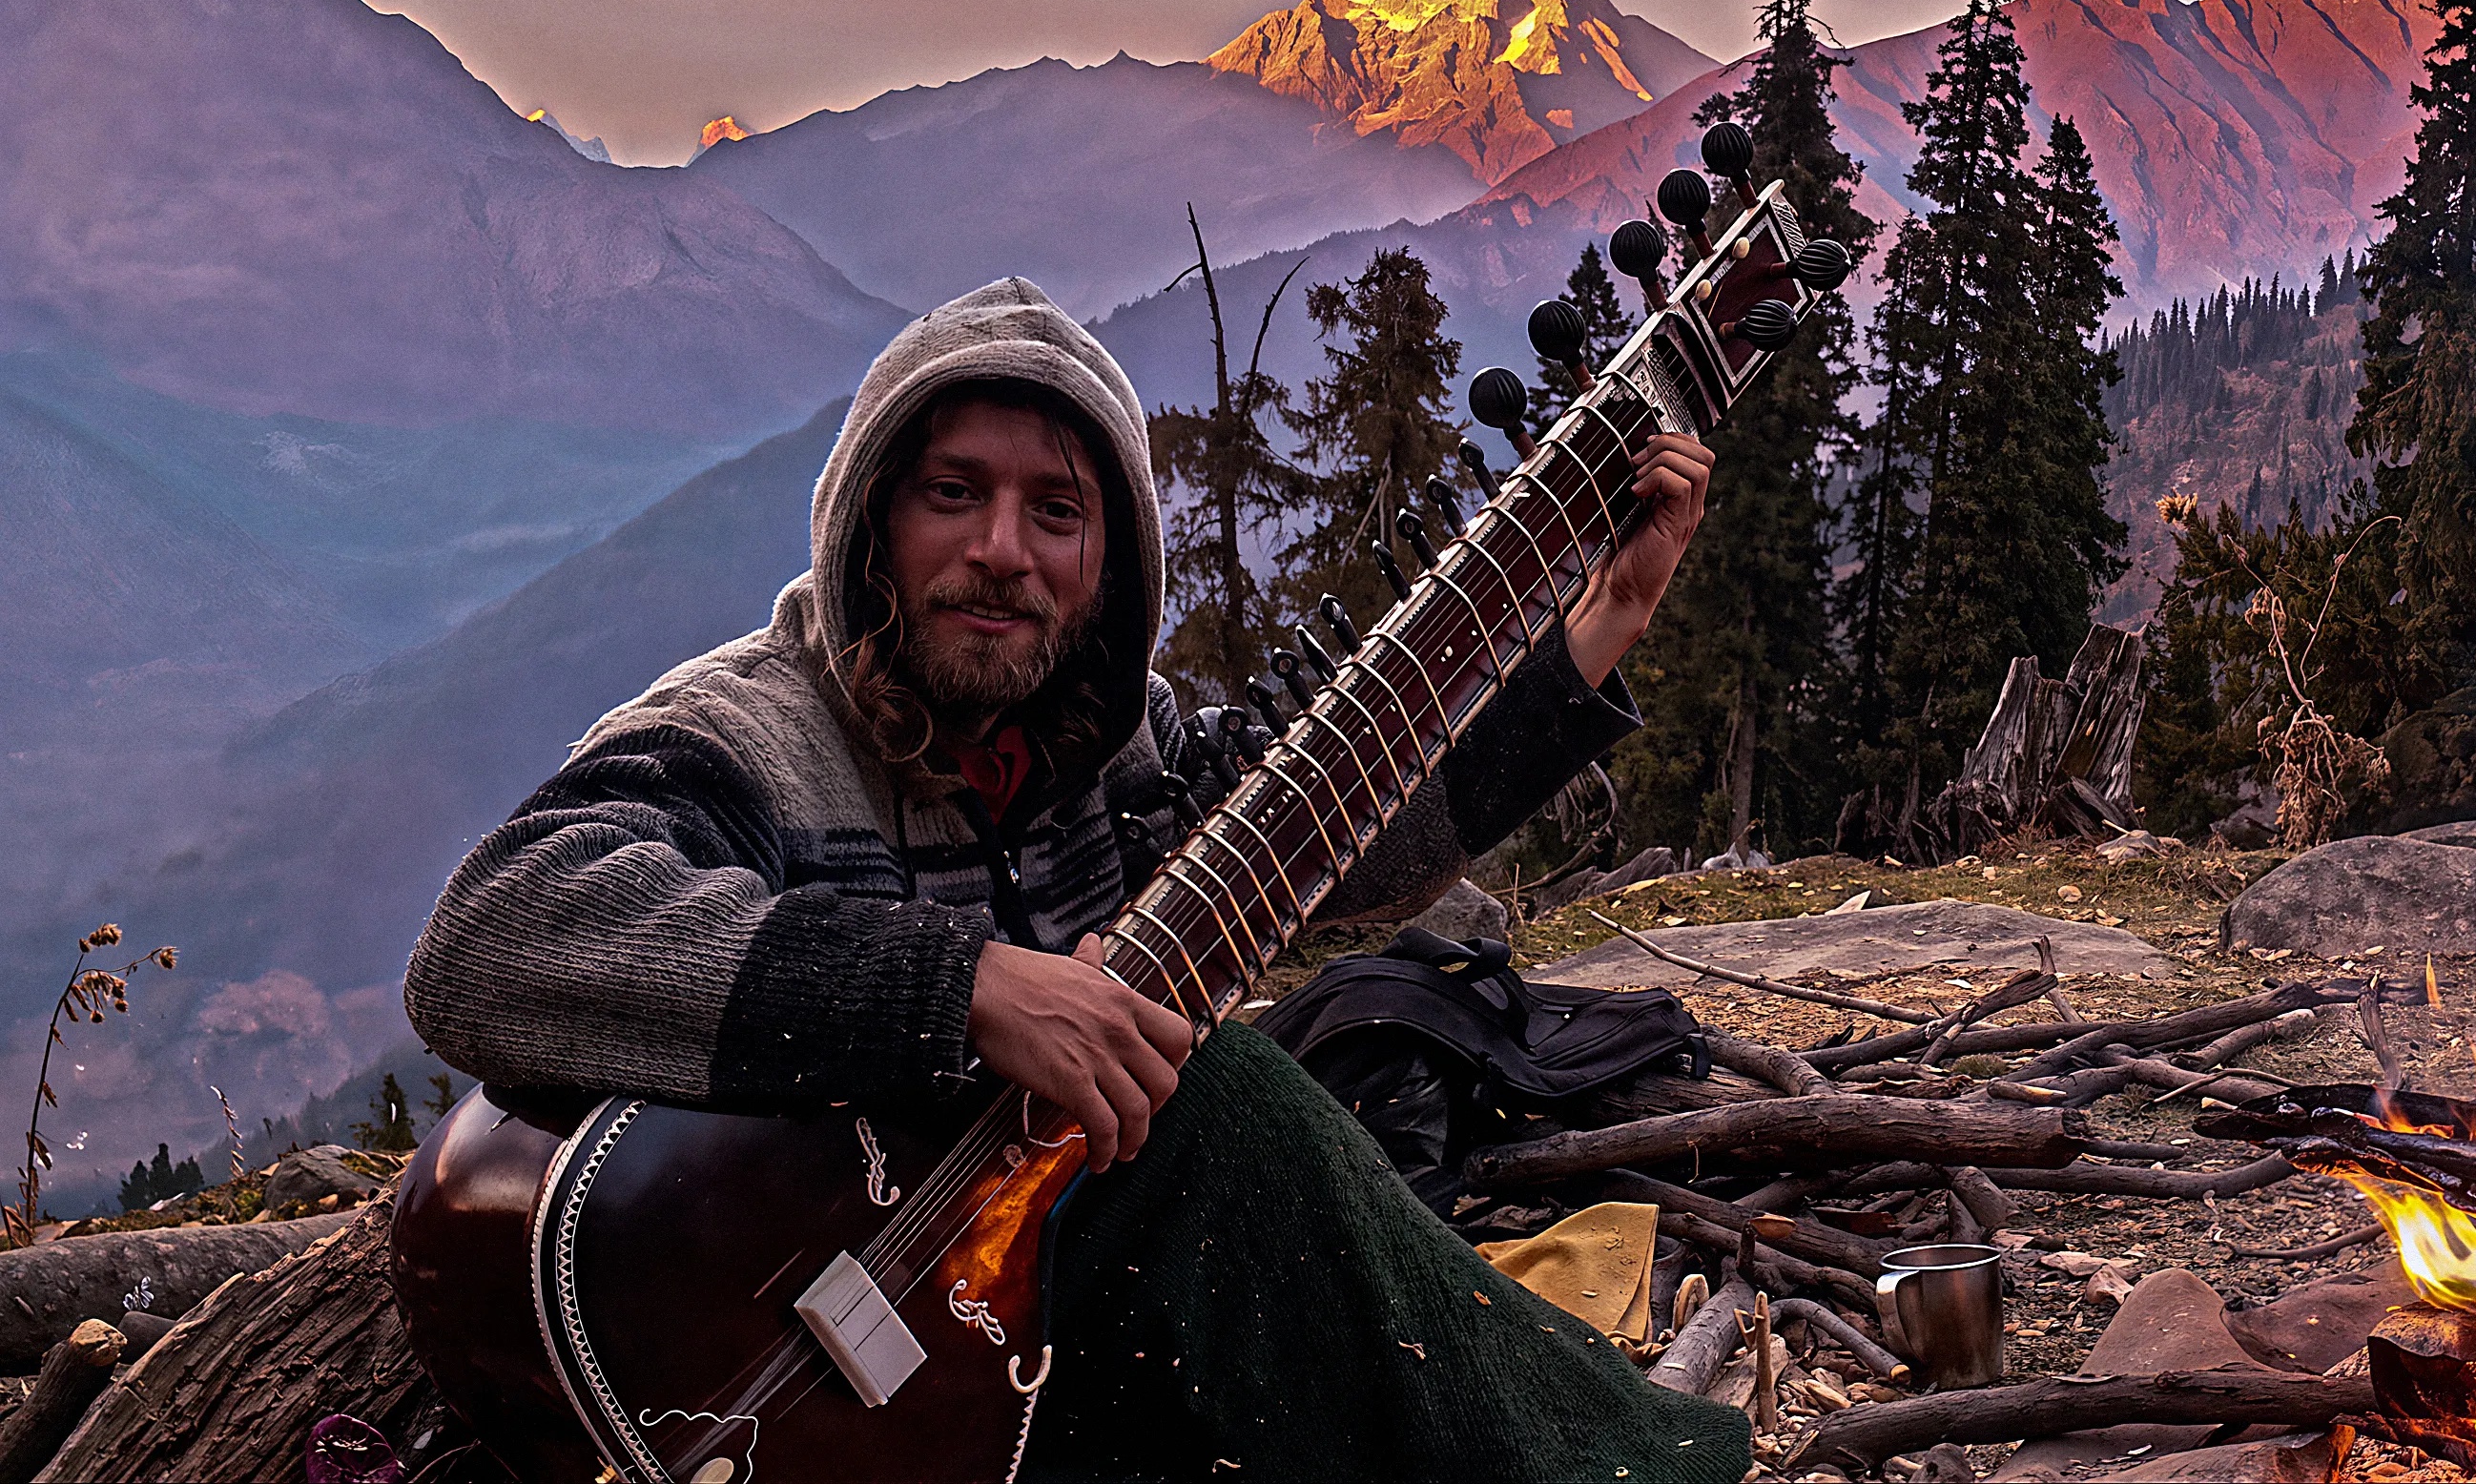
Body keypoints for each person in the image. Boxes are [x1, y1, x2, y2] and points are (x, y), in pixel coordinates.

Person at [403, 278, 1744, 1484]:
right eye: (954, 493)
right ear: (870, 524)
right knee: (1218, 1092)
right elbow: (489, 939)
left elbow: (1342, 847)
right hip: (762, 1338)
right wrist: (965, 991)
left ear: (1108, 568)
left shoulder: (1106, 735)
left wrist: (1595, 626)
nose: (1004, 549)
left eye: (1057, 511)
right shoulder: (749, 737)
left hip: (1000, 1347)